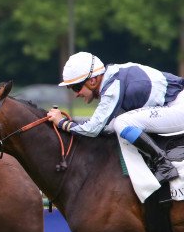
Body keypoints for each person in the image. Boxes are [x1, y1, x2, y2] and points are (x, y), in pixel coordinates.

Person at [47, 51, 184, 183]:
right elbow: (104, 126)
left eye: (76, 88)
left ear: (93, 80)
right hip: (174, 104)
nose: (76, 94)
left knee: (122, 123)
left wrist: (62, 123)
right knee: (115, 125)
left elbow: (93, 129)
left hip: (178, 107)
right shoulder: (113, 76)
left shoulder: (112, 88)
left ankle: (163, 165)